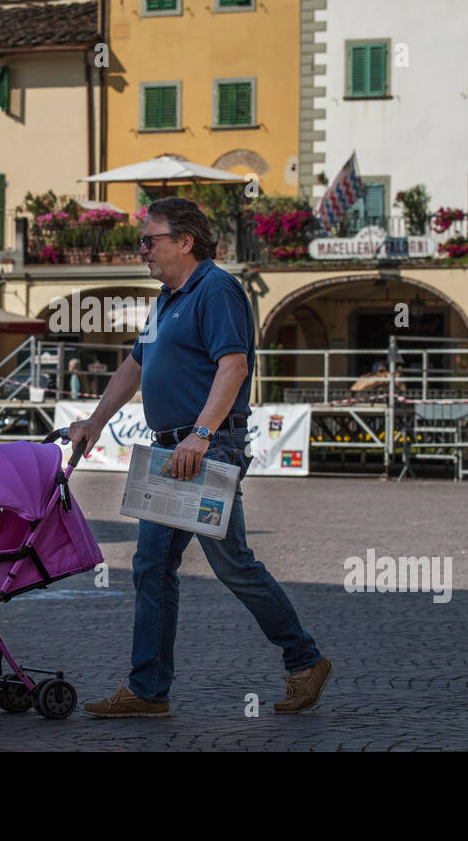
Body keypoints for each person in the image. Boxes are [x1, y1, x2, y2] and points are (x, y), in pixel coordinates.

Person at [69, 197, 331, 717]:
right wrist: (94, 423)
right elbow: (135, 365)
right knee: (154, 565)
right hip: (173, 451)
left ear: (185, 242)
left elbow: (233, 366)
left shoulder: (217, 289)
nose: (142, 249)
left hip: (202, 448)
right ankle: (150, 690)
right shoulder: (167, 298)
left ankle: (304, 659)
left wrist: (201, 436)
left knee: (228, 564)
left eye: (151, 239)